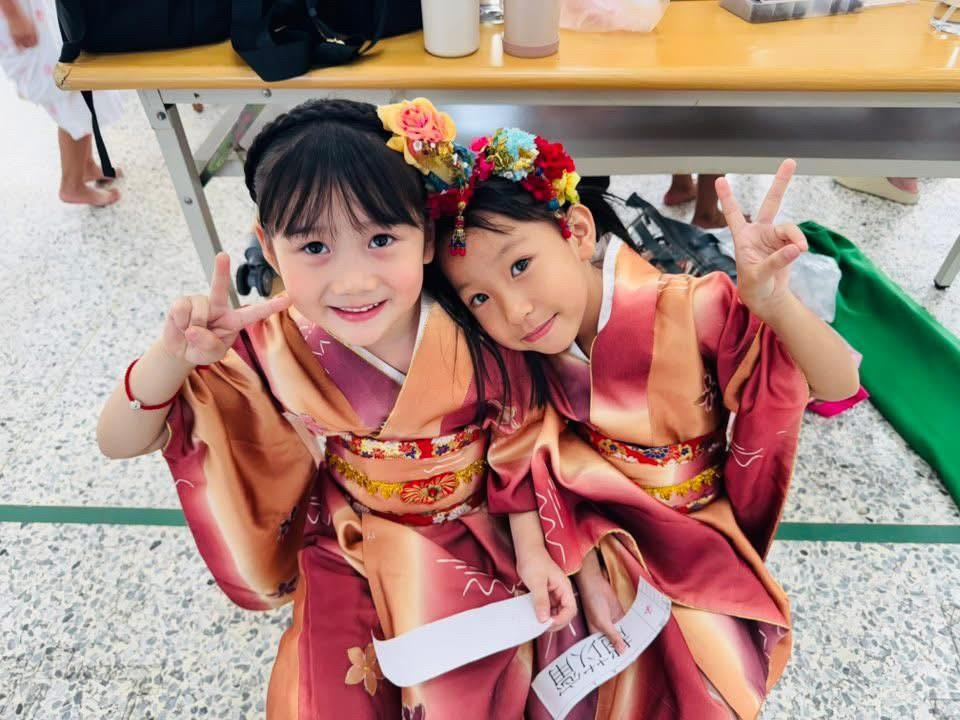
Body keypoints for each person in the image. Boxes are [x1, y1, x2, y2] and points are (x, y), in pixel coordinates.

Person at [96, 99, 583, 719]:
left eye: (381, 239)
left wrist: (534, 551)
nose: (354, 281)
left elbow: (518, 443)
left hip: (481, 537)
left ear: (426, 237)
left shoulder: (475, 319)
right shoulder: (270, 346)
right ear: (269, 249)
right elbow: (119, 440)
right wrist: (171, 358)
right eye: (314, 246)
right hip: (355, 545)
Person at [430, 127, 860, 718]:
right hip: (596, 529)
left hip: (694, 533)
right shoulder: (522, 353)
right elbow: (526, 454)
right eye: (478, 298)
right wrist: (579, 562)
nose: (515, 310)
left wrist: (775, 304)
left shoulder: (692, 305)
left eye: (521, 265)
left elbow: (839, 384)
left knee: (703, 681)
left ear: (578, 231)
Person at [0, 0, 123, 206]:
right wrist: (14, 16)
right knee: (70, 91)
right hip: (24, 15)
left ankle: (85, 166)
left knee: (77, 74)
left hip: (37, 13)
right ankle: (72, 186)